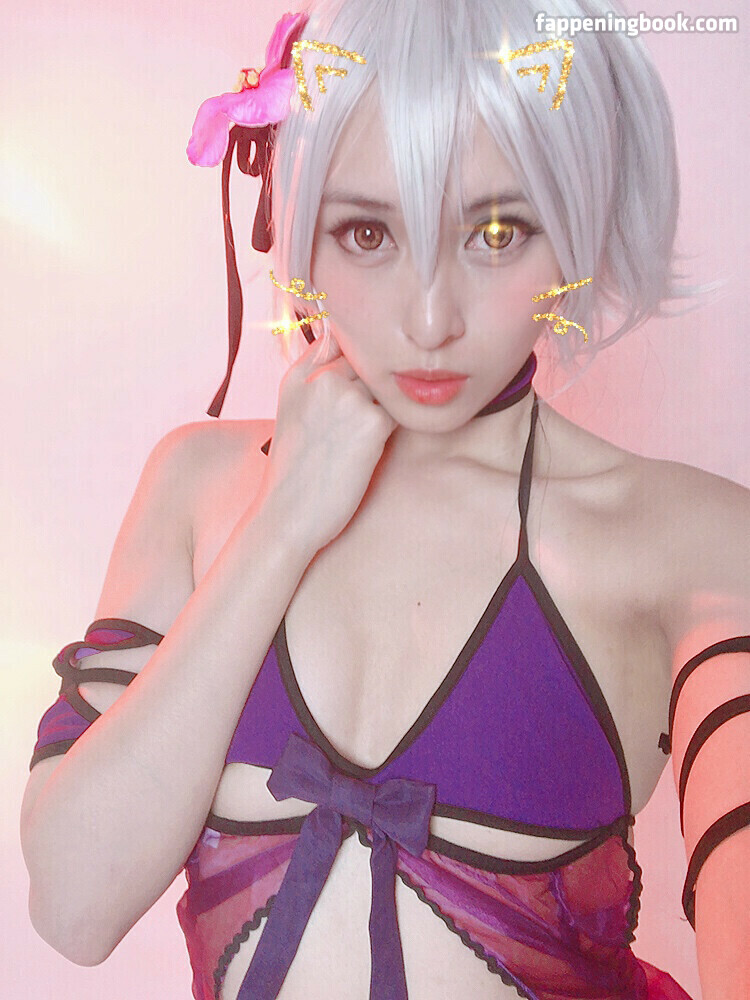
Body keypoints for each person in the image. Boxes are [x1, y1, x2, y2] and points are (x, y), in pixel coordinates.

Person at [20, 0, 749, 998]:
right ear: (293, 215)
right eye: (367, 231)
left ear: (576, 219)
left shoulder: (691, 538)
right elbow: (73, 906)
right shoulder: (200, 483)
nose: (430, 317)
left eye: (497, 232)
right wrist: (283, 523)